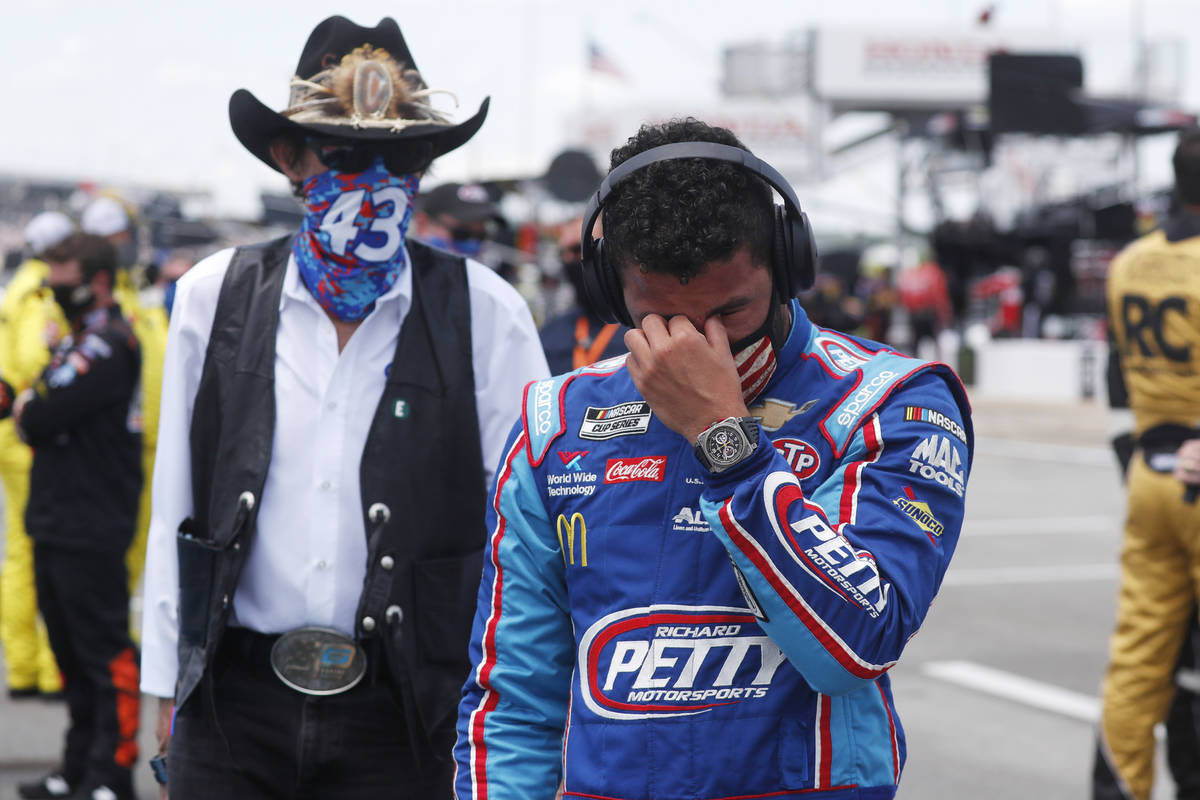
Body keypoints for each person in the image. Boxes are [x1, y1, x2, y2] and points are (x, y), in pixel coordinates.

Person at [455, 118, 972, 799]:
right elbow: (514, 703)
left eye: (730, 313)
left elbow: (856, 643)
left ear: (788, 265)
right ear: (614, 292)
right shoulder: (555, 426)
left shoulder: (891, 402)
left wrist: (723, 436)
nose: (701, 348)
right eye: (661, 317)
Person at [138, 15, 548, 798]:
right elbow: (176, 507)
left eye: (398, 157)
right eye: (347, 155)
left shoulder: (487, 313)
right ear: (291, 160)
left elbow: (521, 536)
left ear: (424, 167)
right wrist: (169, 685)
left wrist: (512, 709)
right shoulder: (210, 296)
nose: (373, 182)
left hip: (411, 712)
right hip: (234, 704)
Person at [15, 232, 143, 800]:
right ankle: (77, 769)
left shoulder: (108, 343)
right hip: (54, 518)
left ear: (94, 280)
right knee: (68, 655)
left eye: (60, 276)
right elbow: (31, 407)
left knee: (103, 653)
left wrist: (29, 408)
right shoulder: (77, 340)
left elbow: (40, 415)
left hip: (92, 523)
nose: (50, 287)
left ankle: (112, 776)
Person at [1094, 127, 1200, 800]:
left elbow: (1117, 388)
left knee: (1138, 661)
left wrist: (1140, 465)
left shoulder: (1130, 262)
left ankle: (1117, 789)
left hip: (1150, 477)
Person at [80, 196, 169, 609]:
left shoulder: (137, 297)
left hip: (149, 446)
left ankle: (110, 653)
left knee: (131, 560)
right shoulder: (87, 303)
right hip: (110, 451)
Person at [0, 212, 69, 701]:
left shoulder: (16, 286)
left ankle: (24, 665)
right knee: (41, 549)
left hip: (10, 430)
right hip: (28, 434)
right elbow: (34, 359)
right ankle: (49, 669)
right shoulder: (41, 290)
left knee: (22, 551)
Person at [538, 216, 628, 374]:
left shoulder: (642, 326)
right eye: (563, 253)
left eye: (577, 249)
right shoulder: (551, 332)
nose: (568, 260)